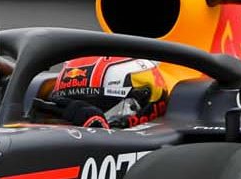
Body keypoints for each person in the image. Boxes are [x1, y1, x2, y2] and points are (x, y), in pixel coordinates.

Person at [32, 55, 169, 129]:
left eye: (97, 105)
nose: (75, 114)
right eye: (68, 103)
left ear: (138, 103)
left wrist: (98, 129)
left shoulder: (178, 141)